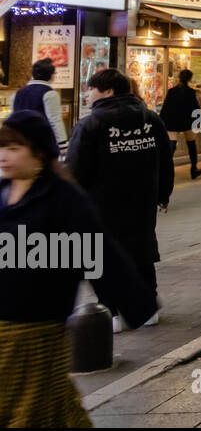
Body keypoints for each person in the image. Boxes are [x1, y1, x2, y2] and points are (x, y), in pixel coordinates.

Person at [0, 110, 156, 426]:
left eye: (14, 148)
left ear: (39, 153)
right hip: (3, 330)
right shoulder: (1, 193)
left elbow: (100, 256)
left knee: (37, 413)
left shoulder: (63, 200)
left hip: (38, 332)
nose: (4, 156)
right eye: (1, 147)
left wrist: (136, 304)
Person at [66, 68, 173, 332]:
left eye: (91, 90)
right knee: (142, 248)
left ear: (108, 91)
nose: (87, 95)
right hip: (143, 199)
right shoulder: (151, 119)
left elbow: (75, 168)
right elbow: (165, 161)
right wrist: (163, 194)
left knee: (104, 255)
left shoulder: (91, 124)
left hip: (102, 202)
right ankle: (147, 308)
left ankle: (110, 310)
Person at [12, 58, 68, 157]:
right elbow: (55, 121)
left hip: (19, 142)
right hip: (41, 143)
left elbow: (12, 117)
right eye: (55, 73)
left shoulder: (17, 93)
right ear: (51, 75)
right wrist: (63, 144)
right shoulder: (50, 93)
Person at [159, 69, 201, 180]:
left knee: (171, 146)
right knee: (191, 144)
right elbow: (196, 108)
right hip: (187, 121)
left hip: (172, 121)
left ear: (179, 77)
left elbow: (165, 108)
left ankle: (165, 170)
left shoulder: (172, 91)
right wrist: (200, 122)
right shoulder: (191, 92)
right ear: (190, 79)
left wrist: (161, 121)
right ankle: (194, 168)